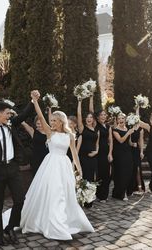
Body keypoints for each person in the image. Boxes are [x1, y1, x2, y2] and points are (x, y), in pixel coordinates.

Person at [15, 92, 94, 240]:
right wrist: (34, 101)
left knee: (65, 193)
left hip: (64, 165)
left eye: (55, 121)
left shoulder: (70, 135)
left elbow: (74, 154)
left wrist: (79, 169)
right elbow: (40, 114)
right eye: (51, 120)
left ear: (61, 122)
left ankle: (65, 220)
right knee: (54, 192)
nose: (52, 123)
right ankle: (55, 224)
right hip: (50, 165)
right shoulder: (49, 133)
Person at [0, 91, 39, 246]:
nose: (9, 116)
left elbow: (24, 114)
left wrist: (33, 100)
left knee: (20, 200)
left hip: (12, 168)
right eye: (7, 113)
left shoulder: (10, 124)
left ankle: (10, 227)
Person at [77, 97, 100, 207]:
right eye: (87, 117)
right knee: (85, 177)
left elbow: (97, 143)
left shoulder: (95, 129)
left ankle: (89, 199)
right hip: (84, 157)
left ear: (93, 119)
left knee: (92, 178)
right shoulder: (82, 128)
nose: (88, 118)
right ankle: (83, 199)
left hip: (93, 157)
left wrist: (96, 152)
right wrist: (80, 102)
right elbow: (79, 115)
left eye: (91, 117)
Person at [112, 113, 134, 201]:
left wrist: (133, 144)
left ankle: (122, 191)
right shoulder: (115, 130)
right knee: (121, 173)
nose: (121, 120)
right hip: (119, 154)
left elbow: (129, 142)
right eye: (119, 118)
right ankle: (122, 193)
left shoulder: (127, 128)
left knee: (129, 171)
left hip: (128, 153)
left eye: (122, 118)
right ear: (117, 120)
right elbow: (121, 140)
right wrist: (128, 133)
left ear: (125, 120)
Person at [95, 110, 113, 202]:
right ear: (98, 117)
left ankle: (104, 195)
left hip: (106, 152)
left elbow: (110, 140)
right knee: (99, 174)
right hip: (97, 152)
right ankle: (99, 194)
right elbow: (91, 111)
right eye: (101, 115)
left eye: (104, 115)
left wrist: (110, 153)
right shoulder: (95, 125)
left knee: (107, 174)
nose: (103, 116)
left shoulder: (108, 126)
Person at [128, 127, 145, 195]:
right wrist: (131, 143)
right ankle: (130, 188)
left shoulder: (140, 129)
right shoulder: (127, 126)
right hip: (127, 150)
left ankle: (139, 187)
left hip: (136, 150)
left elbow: (141, 140)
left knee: (138, 168)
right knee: (130, 169)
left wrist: (141, 152)